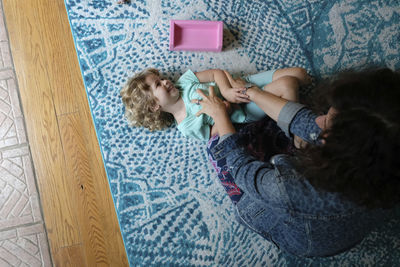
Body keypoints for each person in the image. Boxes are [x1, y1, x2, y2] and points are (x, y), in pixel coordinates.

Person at [194, 67, 400, 257]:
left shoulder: (291, 190)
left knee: (218, 147)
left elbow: (241, 168)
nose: (318, 120)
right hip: (348, 219)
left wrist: (220, 114)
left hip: (304, 236)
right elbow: (308, 123)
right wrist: (251, 91)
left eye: (327, 124)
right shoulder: (387, 150)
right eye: (328, 112)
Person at [120, 67, 310, 140]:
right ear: (154, 106)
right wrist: (224, 110)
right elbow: (216, 133)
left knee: (301, 75)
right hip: (245, 106)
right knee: (288, 84)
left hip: (242, 82)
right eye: (158, 84)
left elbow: (215, 73)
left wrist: (227, 89)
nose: (165, 81)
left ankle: (287, 108)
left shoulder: (184, 82)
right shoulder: (187, 125)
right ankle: (298, 133)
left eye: (161, 78)